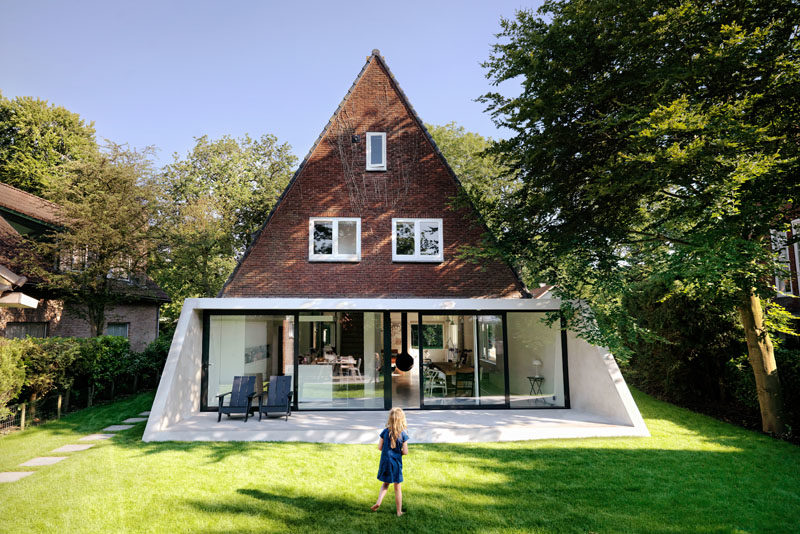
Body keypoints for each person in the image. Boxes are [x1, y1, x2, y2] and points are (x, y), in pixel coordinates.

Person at [371, 407, 409, 516]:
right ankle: (398, 512)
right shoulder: (403, 435)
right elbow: (405, 452)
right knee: (397, 488)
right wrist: (398, 452)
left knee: (385, 484)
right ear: (402, 420)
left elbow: (379, 447)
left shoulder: (384, 432)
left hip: (385, 462)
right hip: (396, 464)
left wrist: (388, 450)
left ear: (390, 419)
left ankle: (378, 502)